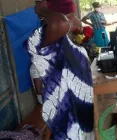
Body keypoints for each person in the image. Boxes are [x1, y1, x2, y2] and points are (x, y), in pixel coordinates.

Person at [27, 0, 94, 139]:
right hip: (65, 109)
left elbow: (71, 22)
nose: (72, 21)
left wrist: (45, 10)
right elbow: (62, 21)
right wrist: (44, 10)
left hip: (79, 106)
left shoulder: (61, 38)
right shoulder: (45, 39)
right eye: (68, 17)